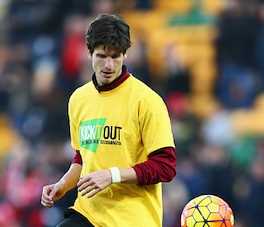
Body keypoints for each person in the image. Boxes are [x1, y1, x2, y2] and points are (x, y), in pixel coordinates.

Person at [41, 13, 177, 227]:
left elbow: (165, 166)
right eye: (102, 56)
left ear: (125, 55)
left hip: (131, 219)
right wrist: (63, 184)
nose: (109, 65)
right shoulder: (79, 99)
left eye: (116, 56)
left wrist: (113, 175)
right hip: (88, 213)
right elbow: (83, 157)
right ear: (89, 53)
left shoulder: (147, 101)